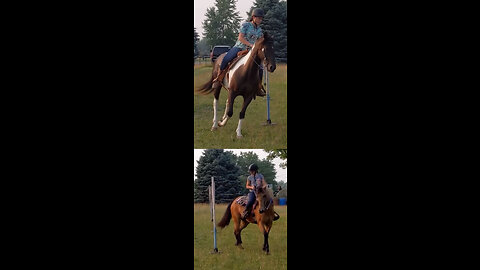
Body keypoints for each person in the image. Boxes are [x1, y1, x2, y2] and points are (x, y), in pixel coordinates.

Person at [213, 8, 266, 96]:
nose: (260, 20)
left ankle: (258, 87)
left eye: (261, 18)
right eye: (259, 18)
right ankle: (219, 78)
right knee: (226, 59)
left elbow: (259, 42)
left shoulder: (260, 30)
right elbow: (240, 38)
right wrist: (250, 45)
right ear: (253, 17)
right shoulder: (245, 25)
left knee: (260, 67)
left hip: (251, 52)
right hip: (240, 47)